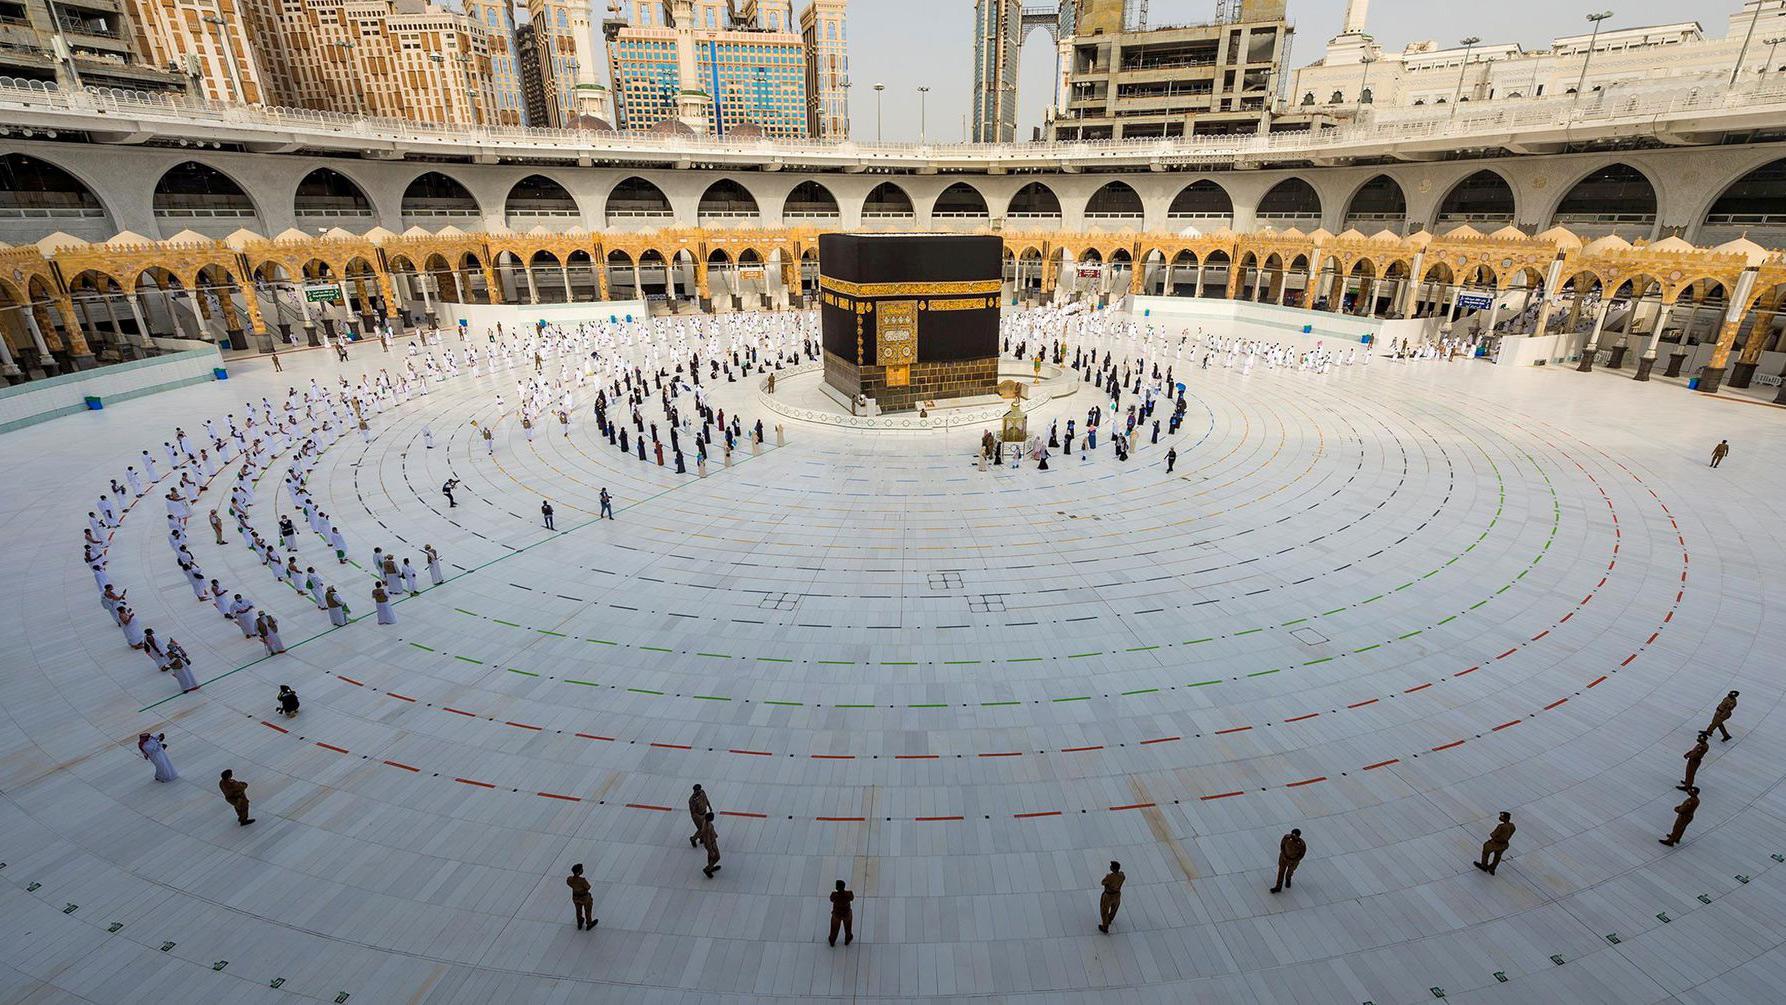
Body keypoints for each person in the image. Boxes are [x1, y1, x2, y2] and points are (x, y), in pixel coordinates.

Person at [1270, 828, 1306, 893]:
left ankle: (1288, 879)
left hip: (1293, 861)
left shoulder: (1301, 844)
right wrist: (1284, 856)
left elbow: (1301, 855)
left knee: (1290, 871)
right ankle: (1278, 887)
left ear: (1298, 836)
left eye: (1295, 835)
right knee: (1281, 872)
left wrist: (1294, 860)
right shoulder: (1286, 838)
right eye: (1292, 834)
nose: (1293, 836)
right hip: (1284, 859)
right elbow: (1282, 846)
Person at [567, 863, 598, 931]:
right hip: (584, 898)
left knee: (578, 911)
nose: (582, 870)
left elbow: (569, 883)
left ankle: (580, 922)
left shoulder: (570, 879)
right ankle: (589, 923)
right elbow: (588, 887)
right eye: (581, 869)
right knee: (588, 910)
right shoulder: (582, 881)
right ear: (578, 872)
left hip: (575, 898)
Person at [1097, 861, 1124, 933]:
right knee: (1114, 909)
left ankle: (1105, 927)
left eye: (1111, 866)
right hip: (1117, 894)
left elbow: (1103, 882)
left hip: (1108, 895)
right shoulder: (1121, 875)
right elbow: (1123, 878)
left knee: (1104, 910)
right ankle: (1109, 919)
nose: (1110, 867)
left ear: (1114, 869)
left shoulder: (1109, 877)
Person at [828, 879, 854, 947]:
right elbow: (852, 898)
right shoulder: (849, 894)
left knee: (834, 928)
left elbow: (831, 899)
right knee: (848, 926)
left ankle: (832, 940)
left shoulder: (834, 895)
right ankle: (847, 939)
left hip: (837, 914)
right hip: (846, 914)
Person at [697, 812, 720, 877]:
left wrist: (714, 834)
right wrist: (711, 850)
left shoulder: (707, 822)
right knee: (717, 857)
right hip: (711, 844)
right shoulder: (707, 827)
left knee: (710, 857)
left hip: (712, 842)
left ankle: (710, 866)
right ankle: (708, 868)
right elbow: (707, 840)